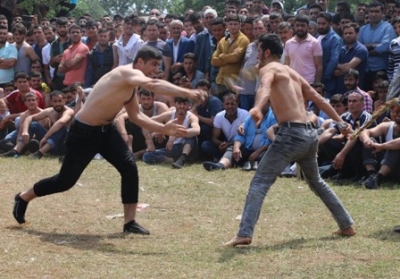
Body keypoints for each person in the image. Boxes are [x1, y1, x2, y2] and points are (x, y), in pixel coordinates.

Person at [12, 46, 204, 235]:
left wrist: (162, 128)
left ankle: (130, 222)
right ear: (139, 62)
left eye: (158, 65)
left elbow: (136, 116)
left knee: (129, 168)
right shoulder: (124, 73)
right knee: (65, 181)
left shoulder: (131, 87)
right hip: (84, 132)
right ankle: (23, 197)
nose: (156, 69)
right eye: (153, 64)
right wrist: (187, 92)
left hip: (106, 131)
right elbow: (152, 85)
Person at [224, 34, 355, 247]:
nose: (256, 55)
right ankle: (346, 224)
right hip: (309, 134)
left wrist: (257, 107)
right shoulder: (293, 73)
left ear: (266, 52)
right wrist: (340, 123)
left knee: (260, 182)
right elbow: (319, 98)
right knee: (316, 182)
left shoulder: (269, 69)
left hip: (291, 135)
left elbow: (264, 88)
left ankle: (244, 233)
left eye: (258, 51)